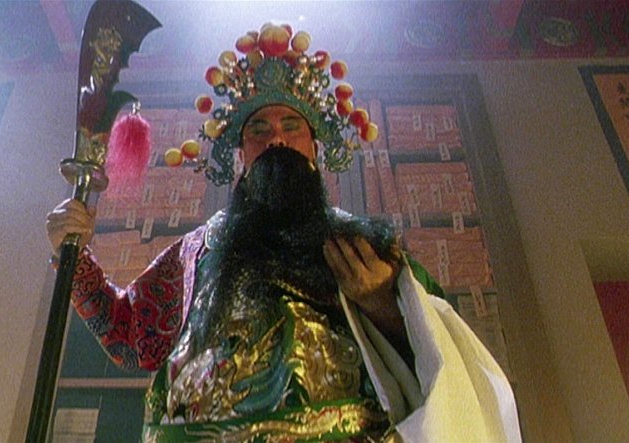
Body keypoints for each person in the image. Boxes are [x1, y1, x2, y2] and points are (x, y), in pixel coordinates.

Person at [47, 24, 520, 442]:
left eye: (291, 125)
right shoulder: (196, 251)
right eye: (259, 128)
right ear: (241, 154)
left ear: (314, 148)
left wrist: (383, 305)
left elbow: (444, 361)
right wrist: (76, 259)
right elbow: (132, 337)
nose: (276, 138)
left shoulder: (361, 247)